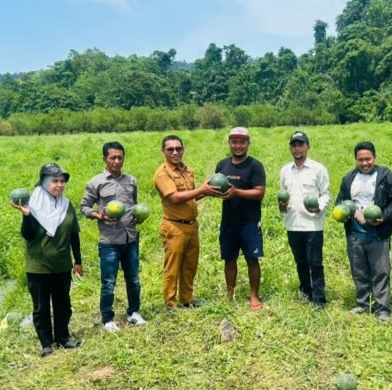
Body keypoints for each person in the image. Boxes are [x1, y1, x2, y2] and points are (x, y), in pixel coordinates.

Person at [10, 163, 83, 357]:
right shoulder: (33, 205)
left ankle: (63, 337)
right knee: (41, 308)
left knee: (63, 305)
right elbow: (28, 235)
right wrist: (27, 216)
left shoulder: (66, 205)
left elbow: (74, 235)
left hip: (62, 265)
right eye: (54, 181)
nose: (59, 185)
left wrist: (78, 261)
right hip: (38, 267)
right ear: (44, 182)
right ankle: (46, 343)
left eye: (62, 181)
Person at [80, 141, 147, 333]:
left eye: (120, 157)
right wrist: (98, 215)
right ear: (105, 159)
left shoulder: (131, 181)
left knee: (133, 279)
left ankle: (134, 313)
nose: (117, 161)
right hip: (109, 241)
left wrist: (138, 216)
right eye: (113, 158)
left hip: (130, 238)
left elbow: (134, 204)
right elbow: (84, 207)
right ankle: (107, 319)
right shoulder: (96, 182)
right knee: (108, 282)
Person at [334, 142, 392, 322]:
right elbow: (340, 201)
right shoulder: (349, 179)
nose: (365, 163)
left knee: (381, 272)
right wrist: (349, 213)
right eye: (361, 160)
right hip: (355, 235)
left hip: (378, 235)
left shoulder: (387, 177)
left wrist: (383, 217)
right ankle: (363, 304)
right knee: (359, 272)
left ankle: (383, 309)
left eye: (368, 159)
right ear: (356, 160)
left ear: (375, 157)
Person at [153, 135, 220, 309]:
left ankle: (187, 299)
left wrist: (206, 191)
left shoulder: (188, 170)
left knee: (190, 265)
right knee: (173, 267)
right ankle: (170, 303)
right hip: (174, 226)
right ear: (163, 152)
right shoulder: (162, 173)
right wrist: (201, 189)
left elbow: (191, 197)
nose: (175, 152)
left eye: (178, 148)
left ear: (183, 150)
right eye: (170, 149)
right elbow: (175, 198)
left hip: (191, 225)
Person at [215, 127, 266, 310]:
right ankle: (230, 293)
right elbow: (216, 187)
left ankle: (254, 295)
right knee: (229, 259)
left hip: (249, 222)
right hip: (228, 222)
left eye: (242, 142)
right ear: (229, 143)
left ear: (248, 144)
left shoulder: (255, 166)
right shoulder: (222, 165)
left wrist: (236, 192)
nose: (238, 146)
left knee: (252, 259)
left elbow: (259, 192)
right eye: (234, 142)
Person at [278, 131, 330, 308]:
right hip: (293, 224)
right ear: (290, 148)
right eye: (294, 145)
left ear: (308, 146)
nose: (297, 149)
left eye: (301, 144)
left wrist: (319, 207)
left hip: (313, 224)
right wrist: (282, 206)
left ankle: (319, 298)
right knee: (300, 262)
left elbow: (326, 194)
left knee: (315, 262)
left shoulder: (318, 169)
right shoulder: (285, 170)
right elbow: (283, 194)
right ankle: (306, 292)